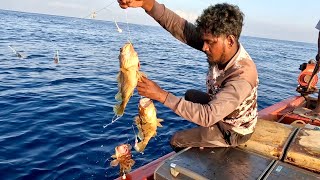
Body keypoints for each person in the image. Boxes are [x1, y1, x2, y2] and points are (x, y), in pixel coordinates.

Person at [117, 0, 258, 151]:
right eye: (204, 41)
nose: (204, 47)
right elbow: (179, 26)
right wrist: (145, 3)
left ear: (230, 40)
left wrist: (161, 95)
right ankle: (206, 133)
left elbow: (207, 116)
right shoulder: (218, 44)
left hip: (233, 130)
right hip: (223, 110)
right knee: (190, 95)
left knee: (177, 140)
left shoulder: (242, 75)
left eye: (209, 43)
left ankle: (215, 151)